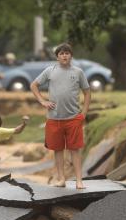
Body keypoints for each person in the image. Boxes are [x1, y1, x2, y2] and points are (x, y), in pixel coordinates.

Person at [30, 42, 91, 189]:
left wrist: (83, 113)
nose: (64, 55)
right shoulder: (50, 71)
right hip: (54, 119)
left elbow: (87, 92)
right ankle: (61, 178)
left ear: (71, 56)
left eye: (67, 53)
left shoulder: (78, 72)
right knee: (57, 150)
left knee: (75, 150)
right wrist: (42, 101)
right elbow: (33, 85)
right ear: (57, 57)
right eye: (61, 53)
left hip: (73, 118)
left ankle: (78, 180)